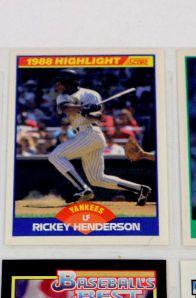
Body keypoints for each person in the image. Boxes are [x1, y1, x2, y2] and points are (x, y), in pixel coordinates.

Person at [46, 69, 150, 205]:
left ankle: (83, 189)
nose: (57, 85)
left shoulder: (90, 94)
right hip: (84, 136)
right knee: (97, 179)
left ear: (67, 81)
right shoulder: (62, 97)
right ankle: (140, 189)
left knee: (55, 156)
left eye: (59, 82)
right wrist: (82, 108)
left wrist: (90, 111)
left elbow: (98, 117)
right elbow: (66, 108)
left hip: (90, 133)